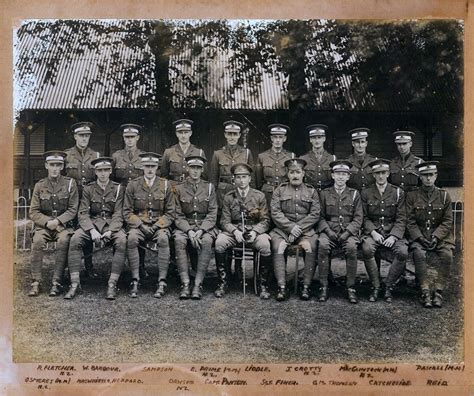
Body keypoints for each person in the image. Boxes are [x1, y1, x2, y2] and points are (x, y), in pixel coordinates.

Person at [64, 157, 127, 300]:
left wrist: (111, 231)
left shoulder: (118, 189)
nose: (103, 173)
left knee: (122, 240)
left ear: (110, 171)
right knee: (75, 239)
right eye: (100, 171)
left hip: (111, 225)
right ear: (95, 172)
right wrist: (91, 230)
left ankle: (112, 283)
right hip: (92, 223)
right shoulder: (88, 189)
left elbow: (119, 214)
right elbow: (83, 213)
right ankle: (74, 284)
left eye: (106, 170)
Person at [214, 163, 272, 299]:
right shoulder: (229, 196)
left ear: (250, 179)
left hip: (253, 231)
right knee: (220, 242)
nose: (241, 180)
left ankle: (263, 285)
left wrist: (255, 232)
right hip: (234, 232)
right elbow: (224, 221)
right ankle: (223, 282)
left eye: (244, 177)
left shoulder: (259, 196)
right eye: (238, 177)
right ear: (234, 179)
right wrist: (235, 232)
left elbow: (265, 221)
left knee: (265, 245)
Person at [123, 152, 175, 298]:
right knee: (132, 238)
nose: (150, 169)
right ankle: (135, 279)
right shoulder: (133, 185)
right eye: (147, 166)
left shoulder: (165, 185)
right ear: (142, 167)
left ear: (157, 167)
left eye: (153, 166)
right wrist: (140, 225)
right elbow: (127, 211)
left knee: (164, 240)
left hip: (159, 225)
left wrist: (158, 225)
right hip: (139, 225)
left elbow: (171, 212)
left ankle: (162, 281)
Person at [28, 151, 79, 297]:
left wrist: (57, 221)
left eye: (58, 165)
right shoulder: (40, 186)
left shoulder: (70, 184)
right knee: (37, 241)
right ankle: (36, 282)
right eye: (52, 165)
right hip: (45, 226)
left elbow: (72, 209)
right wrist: (47, 222)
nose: (55, 168)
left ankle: (57, 282)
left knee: (64, 241)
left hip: (63, 225)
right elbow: (33, 211)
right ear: (46, 165)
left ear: (63, 167)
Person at [270, 158, 320, 301]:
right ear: (287, 174)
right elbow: (275, 212)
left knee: (311, 245)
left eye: (298, 172)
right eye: (292, 172)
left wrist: (297, 229)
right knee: (278, 246)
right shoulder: (279, 190)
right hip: (283, 229)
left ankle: (306, 286)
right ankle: (282, 287)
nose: (295, 175)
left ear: (303, 173)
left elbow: (315, 213)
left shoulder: (311, 191)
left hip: (306, 230)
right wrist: (291, 228)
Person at [406, 161, 454, 308]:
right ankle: (425, 291)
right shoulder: (412, 196)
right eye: (424, 175)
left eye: (431, 175)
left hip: (439, 236)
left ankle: (438, 291)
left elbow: (447, 220)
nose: (428, 178)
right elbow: (410, 221)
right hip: (419, 234)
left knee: (447, 255)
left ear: (435, 176)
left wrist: (436, 236)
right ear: (420, 177)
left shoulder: (444, 196)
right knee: (419, 255)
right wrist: (419, 237)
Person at [360, 159, 408, 302]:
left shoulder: (398, 192)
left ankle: (388, 286)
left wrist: (393, 236)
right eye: (377, 173)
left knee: (402, 252)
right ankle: (376, 286)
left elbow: (401, 218)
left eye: (383, 173)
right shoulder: (366, 192)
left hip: (392, 231)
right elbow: (364, 217)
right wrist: (373, 232)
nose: (380, 176)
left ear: (388, 173)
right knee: (367, 249)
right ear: (373, 175)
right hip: (373, 232)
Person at [317, 160, 363, 303]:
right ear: (332, 176)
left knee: (351, 248)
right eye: (338, 174)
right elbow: (320, 216)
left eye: (344, 174)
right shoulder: (324, 194)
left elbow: (358, 218)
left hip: (348, 232)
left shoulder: (355, 194)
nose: (341, 177)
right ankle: (323, 286)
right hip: (329, 230)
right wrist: (328, 232)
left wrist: (347, 233)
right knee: (323, 245)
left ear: (348, 177)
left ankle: (350, 287)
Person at [174, 155, 218, 299]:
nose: (195, 171)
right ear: (187, 168)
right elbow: (177, 214)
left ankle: (198, 284)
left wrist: (200, 230)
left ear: (202, 170)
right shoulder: (178, 188)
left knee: (206, 241)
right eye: (192, 168)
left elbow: (212, 213)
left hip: (204, 227)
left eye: (198, 168)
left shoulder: (209, 187)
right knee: (179, 241)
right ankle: (185, 283)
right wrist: (189, 231)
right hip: (184, 226)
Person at [64, 121, 101, 279]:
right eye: (81, 135)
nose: (84, 138)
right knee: (71, 234)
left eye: (87, 136)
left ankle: (89, 266)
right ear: (75, 136)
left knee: (88, 230)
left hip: (89, 199)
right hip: (72, 199)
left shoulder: (96, 155)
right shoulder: (66, 155)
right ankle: (69, 267)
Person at [111, 123, 148, 279]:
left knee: (138, 231)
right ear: (123, 138)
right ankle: (117, 266)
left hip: (138, 199)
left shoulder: (144, 156)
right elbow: (111, 179)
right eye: (127, 137)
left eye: (132, 137)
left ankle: (140, 266)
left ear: (137, 138)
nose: (130, 140)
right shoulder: (116, 156)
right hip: (120, 198)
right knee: (118, 231)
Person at [209, 120, 254, 212]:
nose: (232, 137)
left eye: (235, 134)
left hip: (241, 190)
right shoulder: (218, 154)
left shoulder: (246, 153)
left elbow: (252, 178)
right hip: (223, 192)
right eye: (229, 134)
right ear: (225, 135)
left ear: (239, 135)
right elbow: (213, 178)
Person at [255, 124, 295, 206]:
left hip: (285, 192)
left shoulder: (291, 156)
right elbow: (258, 180)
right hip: (267, 193)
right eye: (275, 137)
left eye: (280, 137)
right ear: (271, 138)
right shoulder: (262, 156)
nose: (277, 140)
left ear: (284, 139)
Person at [161, 119, 207, 184]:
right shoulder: (169, 152)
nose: (183, 136)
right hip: (174, 188)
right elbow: (163, 176)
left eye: (186, 132)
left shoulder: (199, 152)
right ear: (176, 134)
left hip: (191, 188)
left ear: (190, 133)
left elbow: (204, 176)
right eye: (180, 132)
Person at [300, 124, 336, 191]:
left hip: (327, 194)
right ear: (310, 140)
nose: (317, 141)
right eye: (314, 138)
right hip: (309, 193)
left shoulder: (332, 158)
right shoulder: (303, 158)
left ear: (324, 139)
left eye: (319, 137)